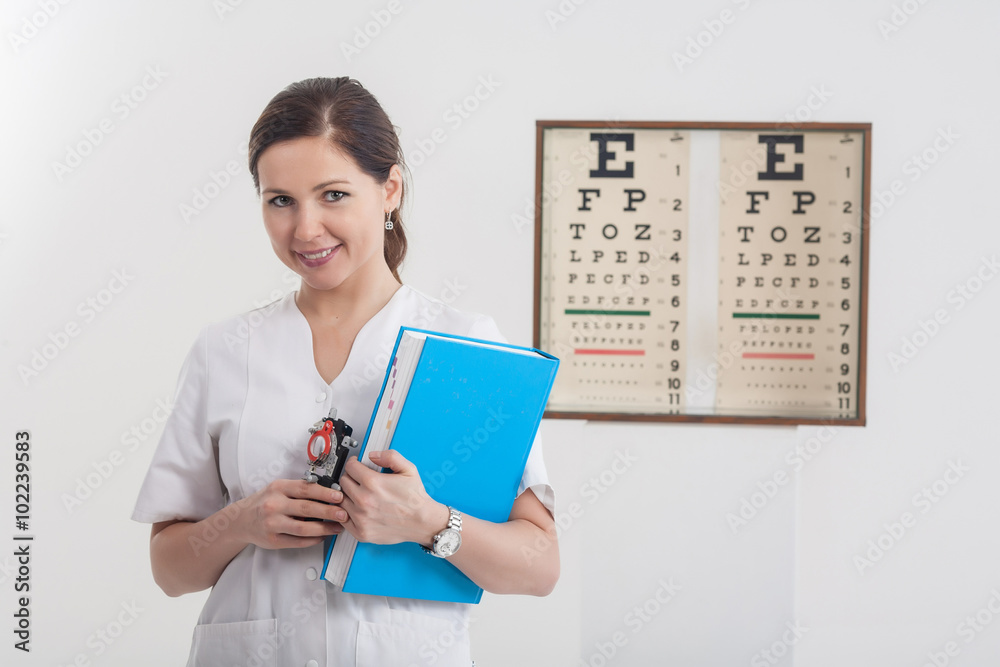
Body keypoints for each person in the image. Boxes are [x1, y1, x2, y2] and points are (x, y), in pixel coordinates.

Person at [131, 77, 559, 666]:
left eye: (332, 195)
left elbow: (539, 566)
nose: (305, 229)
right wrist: (241, 522)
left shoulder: (466, 346)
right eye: (280, 200)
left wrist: (428, 521)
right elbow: (169, 571)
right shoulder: (225, 350)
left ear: (389, 190)